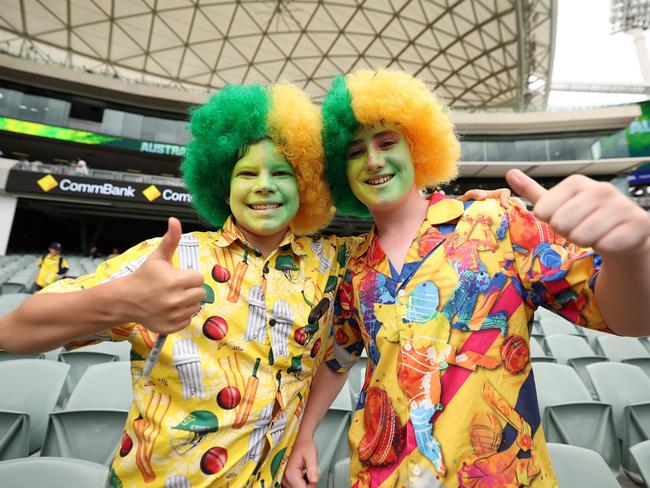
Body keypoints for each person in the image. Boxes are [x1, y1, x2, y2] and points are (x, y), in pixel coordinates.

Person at [0, 81, 511, 487]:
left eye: (283, 173)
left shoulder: (336, 263)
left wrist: (470, 208)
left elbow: (400, 246)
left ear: (306, 184)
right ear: (223, 182)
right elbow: (15, 333)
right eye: (247, 172)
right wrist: (118, 301)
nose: (264, 185)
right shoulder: (176, 258)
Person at [283, 70, 650, 488]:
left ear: (418, 147)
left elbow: (626, 320)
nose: (373, 160)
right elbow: (339, 357)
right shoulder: (353, 264)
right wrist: (306, 434)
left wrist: (632, 254)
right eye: (354, 151)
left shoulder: (497, 222)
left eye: (387, 142)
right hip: (382, 475)